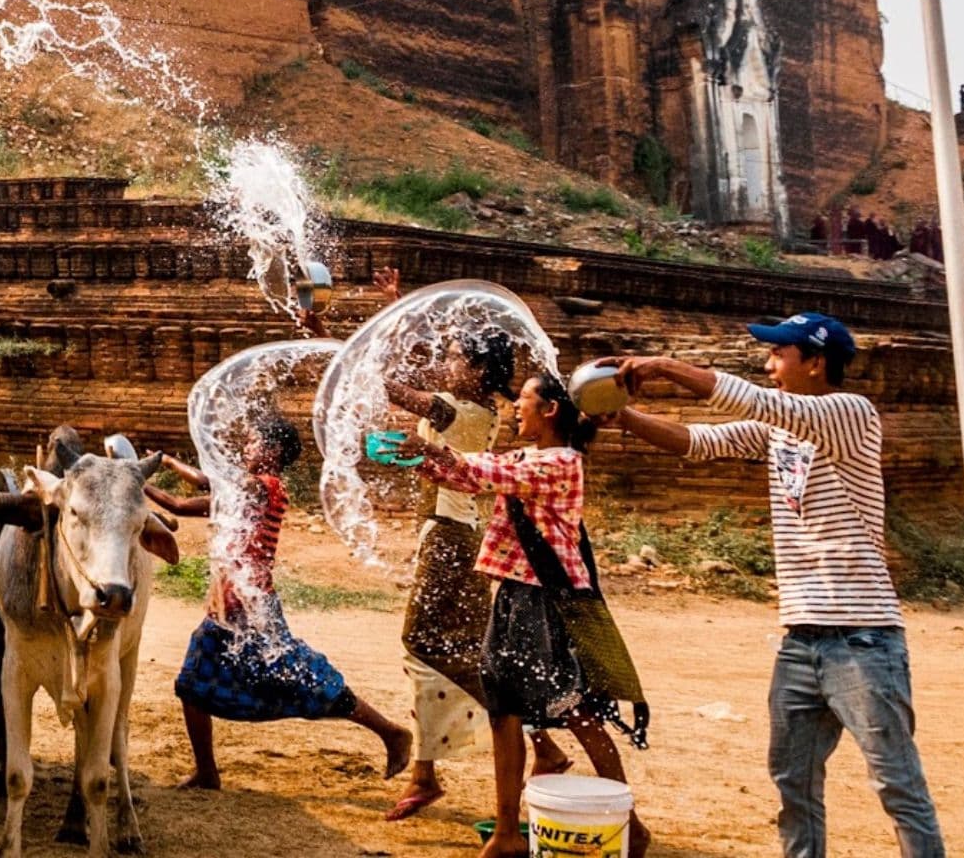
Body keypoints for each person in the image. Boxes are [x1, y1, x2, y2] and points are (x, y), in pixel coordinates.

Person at [600, 314, 945, 858]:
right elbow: (695, 441)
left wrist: (663, 365)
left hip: (864, 640)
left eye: (778, 355)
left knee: (896, 783)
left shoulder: (851, 413)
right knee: (793, 782)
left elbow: (758, 403)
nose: (768, 366)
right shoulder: (781, 429)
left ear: (815, 362)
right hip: (801, 639)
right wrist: (620, 415)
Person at [400, 374, 650, 858]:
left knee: (576, 710)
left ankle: (631, 826)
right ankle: (508, 833)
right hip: (517, 595)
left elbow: (488, 473)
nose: (517, 408)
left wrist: (433, 451)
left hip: (545, 601)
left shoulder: (561, 462)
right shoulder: (529, 458)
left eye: (526, 400)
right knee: (505, 709)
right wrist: (419, 460)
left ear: (551, 411)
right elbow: (472, 475)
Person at [367, 268, 571, 820]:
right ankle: (426, 773)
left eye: (458, 357)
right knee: (435, 651)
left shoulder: (453, 408)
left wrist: (368, 340)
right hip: (456, 534)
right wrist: (396, 307)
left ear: (479, 370)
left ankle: (540, 743)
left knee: (428, 643)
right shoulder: (474, 407)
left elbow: (390, 385)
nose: (448, 363)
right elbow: (420, 374)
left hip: (449, 539)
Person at [161, 414, 414, 793]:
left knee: (303, 678)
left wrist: (142, 474)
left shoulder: (265, 488)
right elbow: (184, 501)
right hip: (226, 610)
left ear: (273, 451)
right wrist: (162, 463)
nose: (245, 449)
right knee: (192, 684)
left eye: (252, 441)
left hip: (252, 610)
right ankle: (207, 772)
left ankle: (391, 732)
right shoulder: (243, 495)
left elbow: (192, 493)